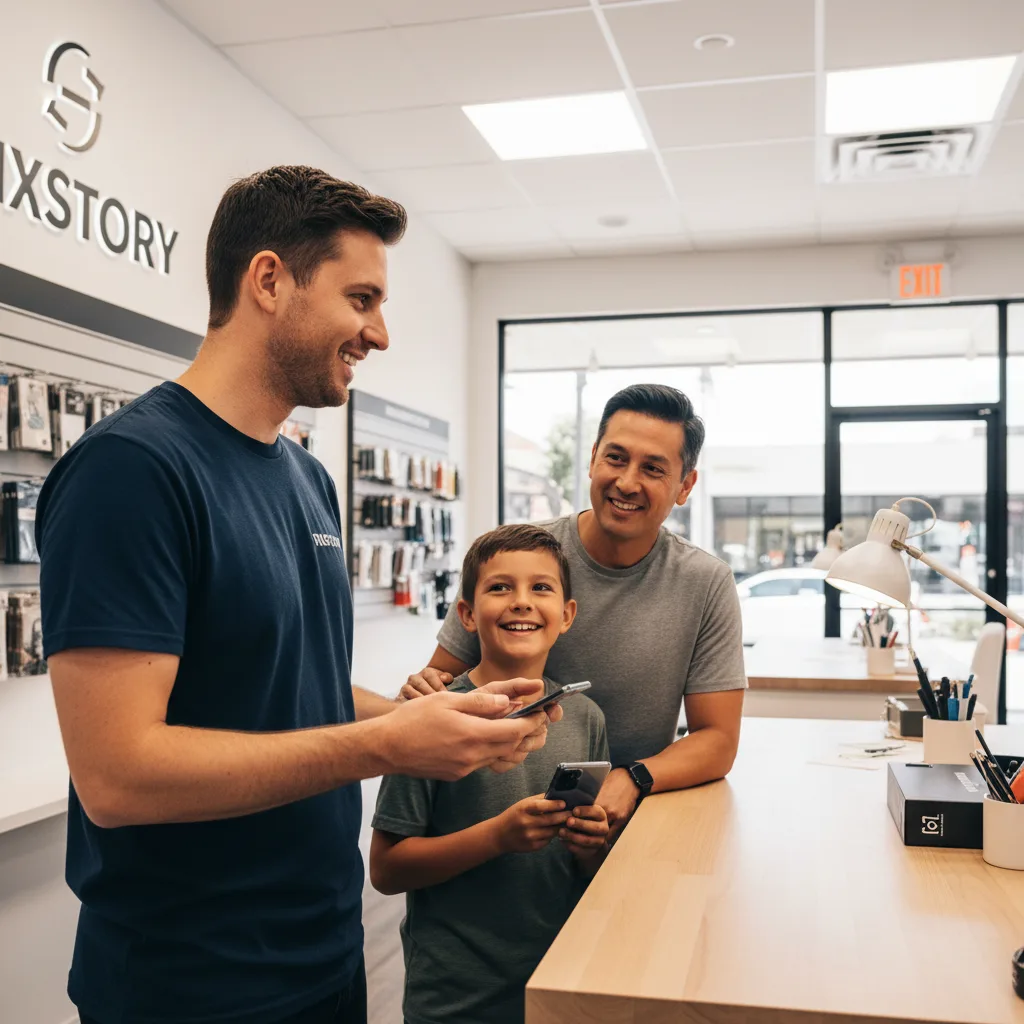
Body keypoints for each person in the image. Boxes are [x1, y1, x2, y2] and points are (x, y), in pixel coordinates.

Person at [37, 166, 558, 1024]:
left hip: (323, 952)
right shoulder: (131, 472)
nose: (379, 333)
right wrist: (387, 744)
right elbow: (118, 776)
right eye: (361, 299)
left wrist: (438, 720)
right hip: (192, 985)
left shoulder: (307, 478)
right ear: (270, 281)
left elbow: (291, 689)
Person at [403, 384, 747, 836]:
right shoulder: (520, 556)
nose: (627, 482)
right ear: (592, 459)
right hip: (486, 824)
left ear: (685, 486)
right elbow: (442, 689)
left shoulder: (706, 582)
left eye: (652, 468)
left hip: (616, 828)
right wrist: (425, 686)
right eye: (616, 458)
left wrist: (634, 778)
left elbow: (717, 740)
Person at [371, 524, 610, 1024]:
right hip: (456, 998)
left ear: (567, 615)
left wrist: (591, 845)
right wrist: (497, 837)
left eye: (540, 587)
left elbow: (589, 869)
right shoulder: (430, 718)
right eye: (500, 587)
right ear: (466, 614)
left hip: (559, 985)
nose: (521, 601)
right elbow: (388, 870)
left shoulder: (585, 718)